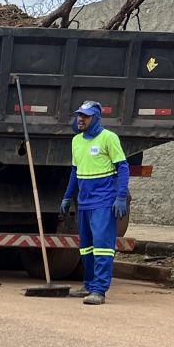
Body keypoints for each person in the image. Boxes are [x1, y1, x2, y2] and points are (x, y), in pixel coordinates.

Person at [61, 101, 130, 305]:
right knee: (86, 248)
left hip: (104, 201)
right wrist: (67, 196)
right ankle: (89, 285)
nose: (80, 119)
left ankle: (99, 290)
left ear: (96, 118)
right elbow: (75, 171)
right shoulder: (76, 141)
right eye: (79, 115)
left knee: (102, 247)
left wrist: (120, 196)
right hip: (84, 202)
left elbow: (123, 167)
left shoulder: (109, 138)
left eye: (86, 116)